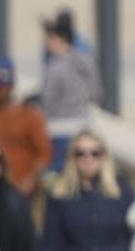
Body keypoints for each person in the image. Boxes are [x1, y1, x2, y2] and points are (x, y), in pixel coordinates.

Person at [39, 130, 135, 251]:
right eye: (80, 153)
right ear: (72, 158)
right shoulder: (60, 195)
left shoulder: (121, 189)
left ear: (104, 156)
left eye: (94, 153)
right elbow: (50, 242)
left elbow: (132, 235)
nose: (87, 158)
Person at [0, 61, 52, 197]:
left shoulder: (29, 115)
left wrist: (30, 182)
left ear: (12, 86)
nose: (1, 91)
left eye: (6, 86)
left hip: (24, 190)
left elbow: (44, 154)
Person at [40, 12, 100, 172]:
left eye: (50, 39)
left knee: (57, 175)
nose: (47, 43)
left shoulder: (56, 67)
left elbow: (48, 100)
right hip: (83, 125)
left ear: (60, 40)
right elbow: (95, 91)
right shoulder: (84, 60)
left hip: (59, 130)